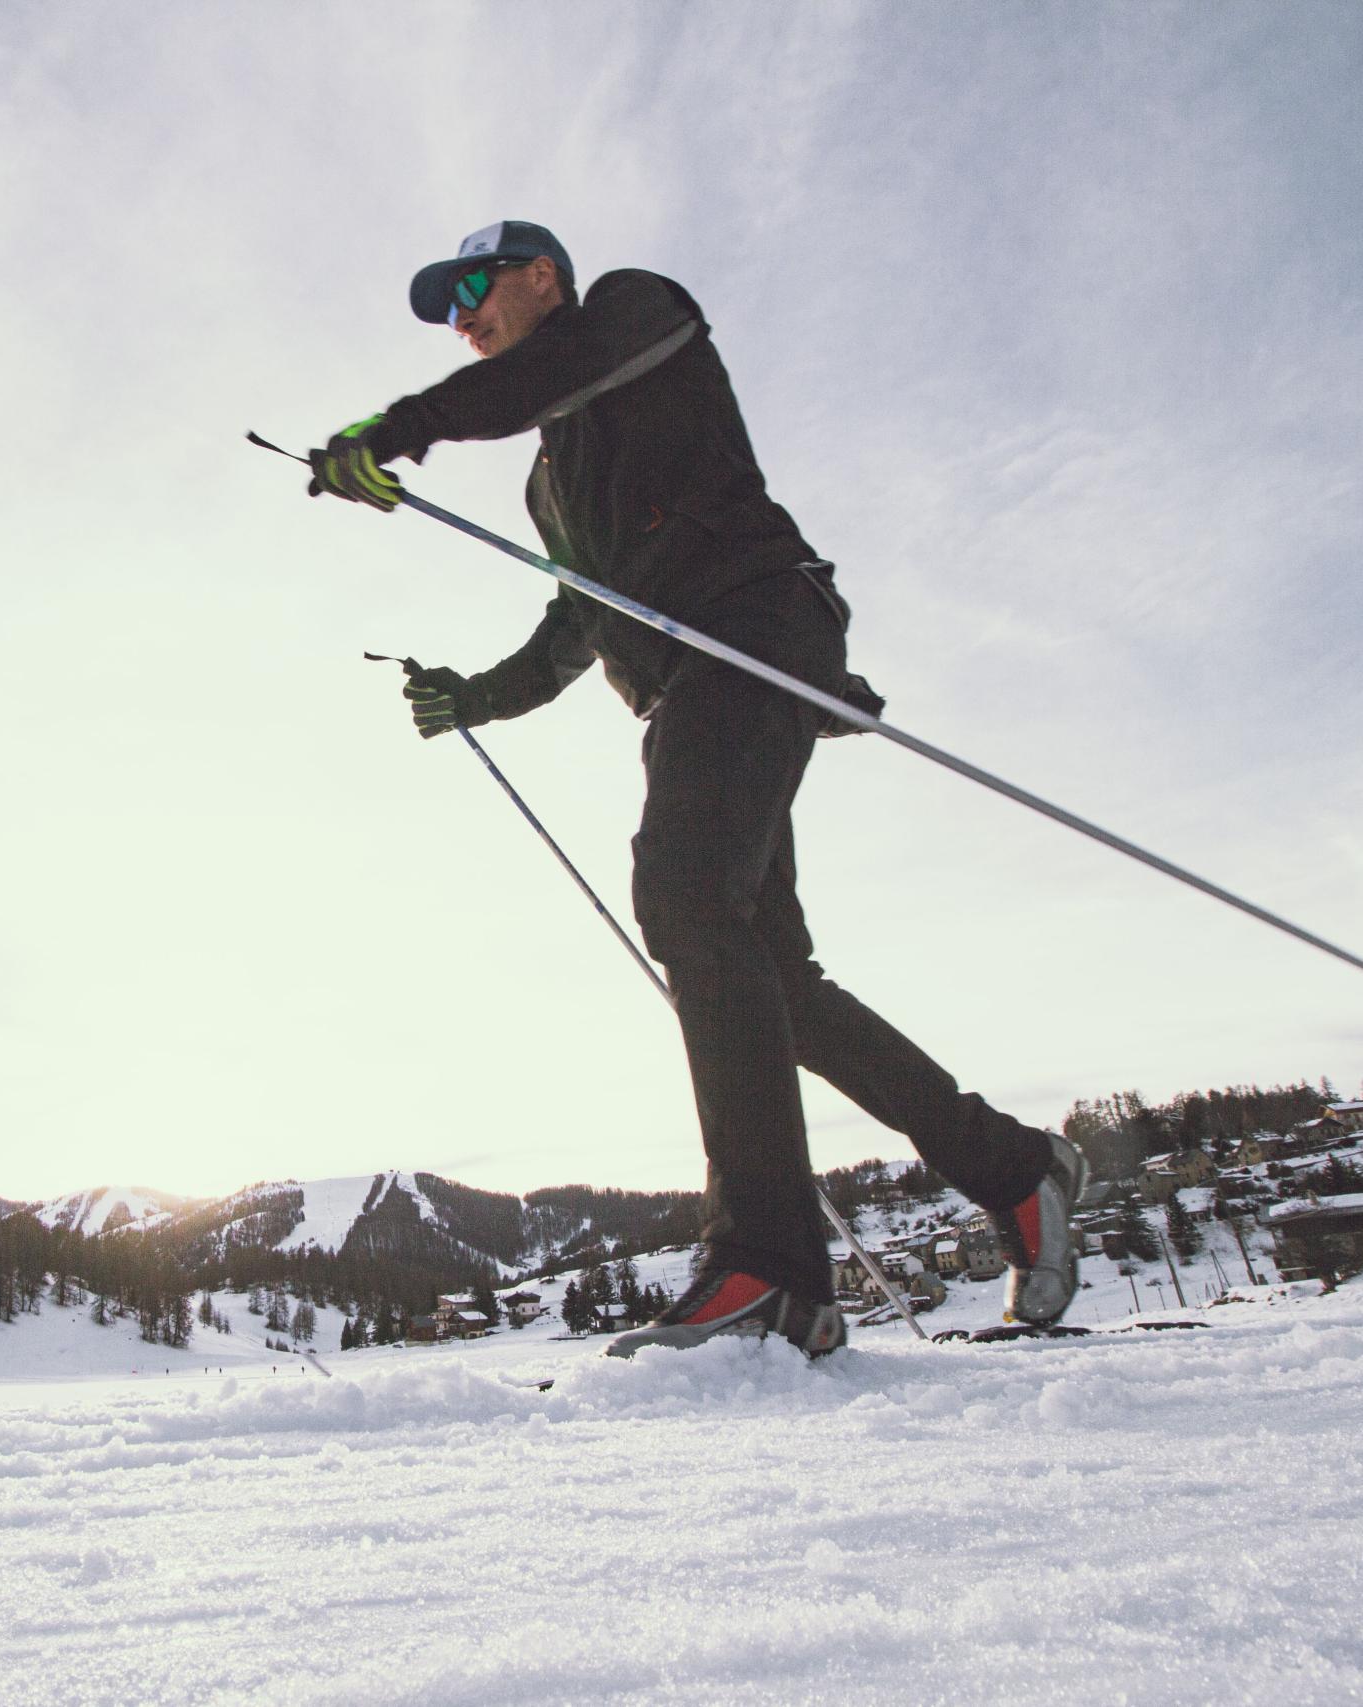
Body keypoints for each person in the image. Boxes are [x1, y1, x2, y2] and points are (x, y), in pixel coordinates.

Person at [309, 221, 1087, 1359]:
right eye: (443, 307)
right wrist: (473, 698)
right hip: (686, 692)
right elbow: (577, 620)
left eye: (474, 287)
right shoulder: (548, 474)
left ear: (541, 277)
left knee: (684, 901)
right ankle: (1012, 1169)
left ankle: (771, 1271)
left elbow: (543, 377)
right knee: (772, 977)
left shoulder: (635, 316)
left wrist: (405, 425)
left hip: (751, 636)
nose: (459, 315)